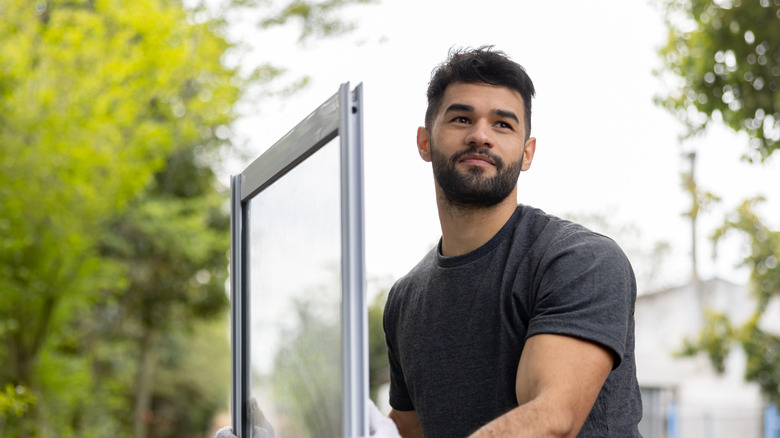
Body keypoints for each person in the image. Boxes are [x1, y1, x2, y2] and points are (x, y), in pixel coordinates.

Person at [382, 46, 642, 437]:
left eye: (503, 124)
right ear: (424, 142)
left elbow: (552, 417)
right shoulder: (404, 300)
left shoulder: (579, 260)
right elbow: (406, 431)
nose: (480, 136)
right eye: (461, 118)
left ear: (527, 152)